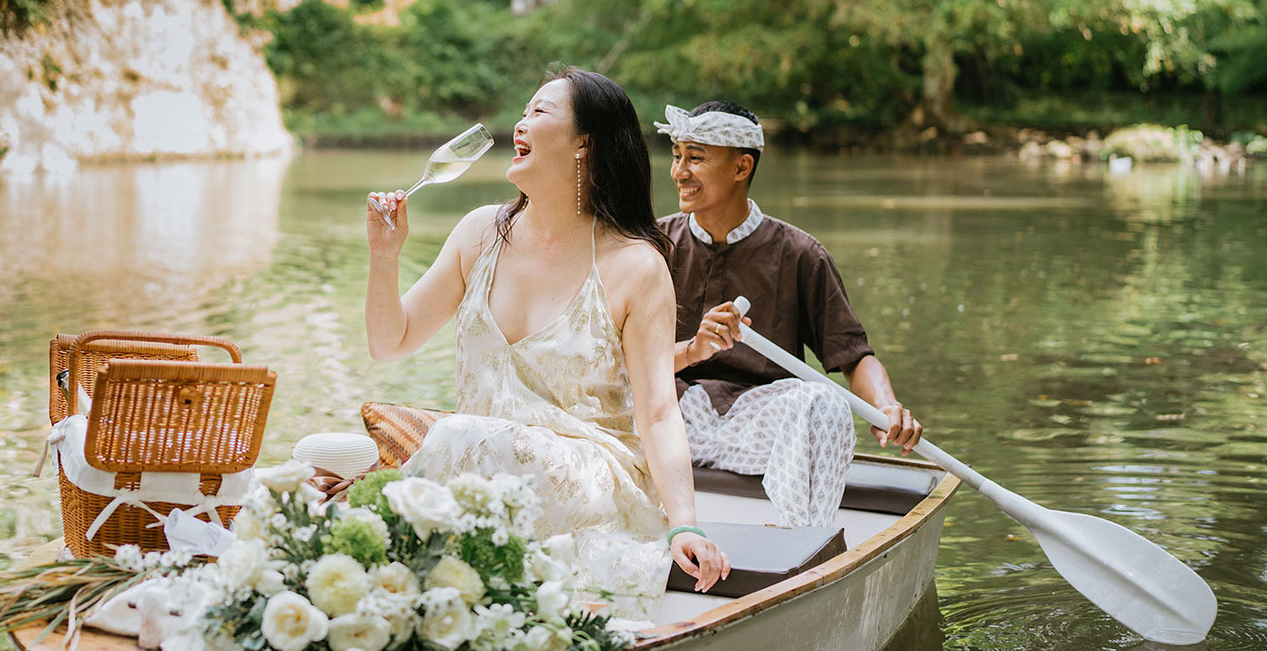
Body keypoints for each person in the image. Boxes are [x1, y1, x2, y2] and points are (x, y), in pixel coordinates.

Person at [365, 68, 730, 619]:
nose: (520, 122)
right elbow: (390, 342)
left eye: (539, 112)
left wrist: (684, 523)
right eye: (524, 110)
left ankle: (380, 568)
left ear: (584, 144)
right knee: (341, 454)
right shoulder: (479, 233)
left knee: (456, 435)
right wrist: (384, 255)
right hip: (485, 471)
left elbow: (658, 411)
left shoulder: (635, 265)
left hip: (588, 477)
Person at [656, 101, 922, 529]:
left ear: (742, 168)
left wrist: (888, 407)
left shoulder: (801, 254)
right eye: (677, 156)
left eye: (696, 158)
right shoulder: (652, 246)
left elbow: (852, 355)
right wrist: (692, 349)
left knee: (823, 403)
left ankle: (801, 539)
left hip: (761, 426)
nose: (680, 172)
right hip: (670, 417)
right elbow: (618, 361)